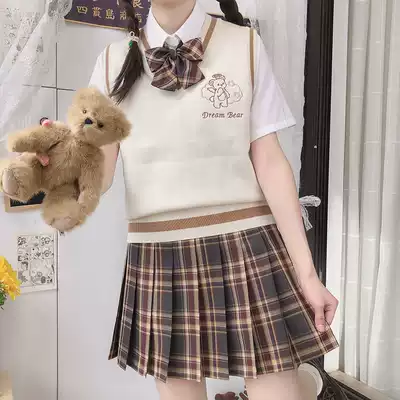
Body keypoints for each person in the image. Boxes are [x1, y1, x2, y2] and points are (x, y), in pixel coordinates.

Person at [1, 0, 338, 399]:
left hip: (249, 246)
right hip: (160, 254)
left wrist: (307, 275)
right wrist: (50, 167)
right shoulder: (111, 64)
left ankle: (308, 385)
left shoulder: (244, 45)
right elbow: (98, 173)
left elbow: (271, 164)